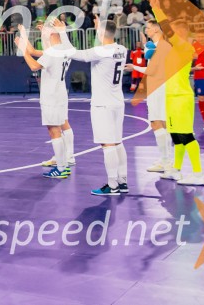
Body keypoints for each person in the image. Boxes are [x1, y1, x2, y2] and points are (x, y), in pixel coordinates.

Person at [146, 0, 204, 185]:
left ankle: (197, 174)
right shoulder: (177, 46)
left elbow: (166, 24)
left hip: (180, 96)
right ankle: (176, 170)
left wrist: (157, 6)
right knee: (177, 137)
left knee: (186, 135)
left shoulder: (182, 45)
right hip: (171, 95)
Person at [69, 18, 129, 196]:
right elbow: (104, 42)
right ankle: (122, 180)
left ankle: (112, 185)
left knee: (108, 144)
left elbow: (74, 53)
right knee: (118, 142)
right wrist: (99, 27)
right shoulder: (121, 49)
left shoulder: (100, 51)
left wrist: (62, 34)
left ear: (102, 33)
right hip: (117, 101)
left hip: (103, 104)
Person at [17, 20, 74, 179]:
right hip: (61, 93)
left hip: (51, 96)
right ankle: (64, 161)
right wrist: (24, 35)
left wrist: (23, 51)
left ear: (51, 34)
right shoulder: (66, 49)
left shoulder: (52, 52)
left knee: (53, 130)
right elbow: (34, 50)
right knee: (59, 128)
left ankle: (62, 168)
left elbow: (34, 66)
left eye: (44, 33)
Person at [125, 20, 172, 173]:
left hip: (158, 87)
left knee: (157, 122)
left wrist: (135, 67)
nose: (146, 30)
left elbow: (152, 70)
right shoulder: (160, 46)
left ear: (156, 30)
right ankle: (167, 160)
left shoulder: (161, 47)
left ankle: (166, 161)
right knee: (162, 123)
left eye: (148, 28)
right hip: (160, 86)